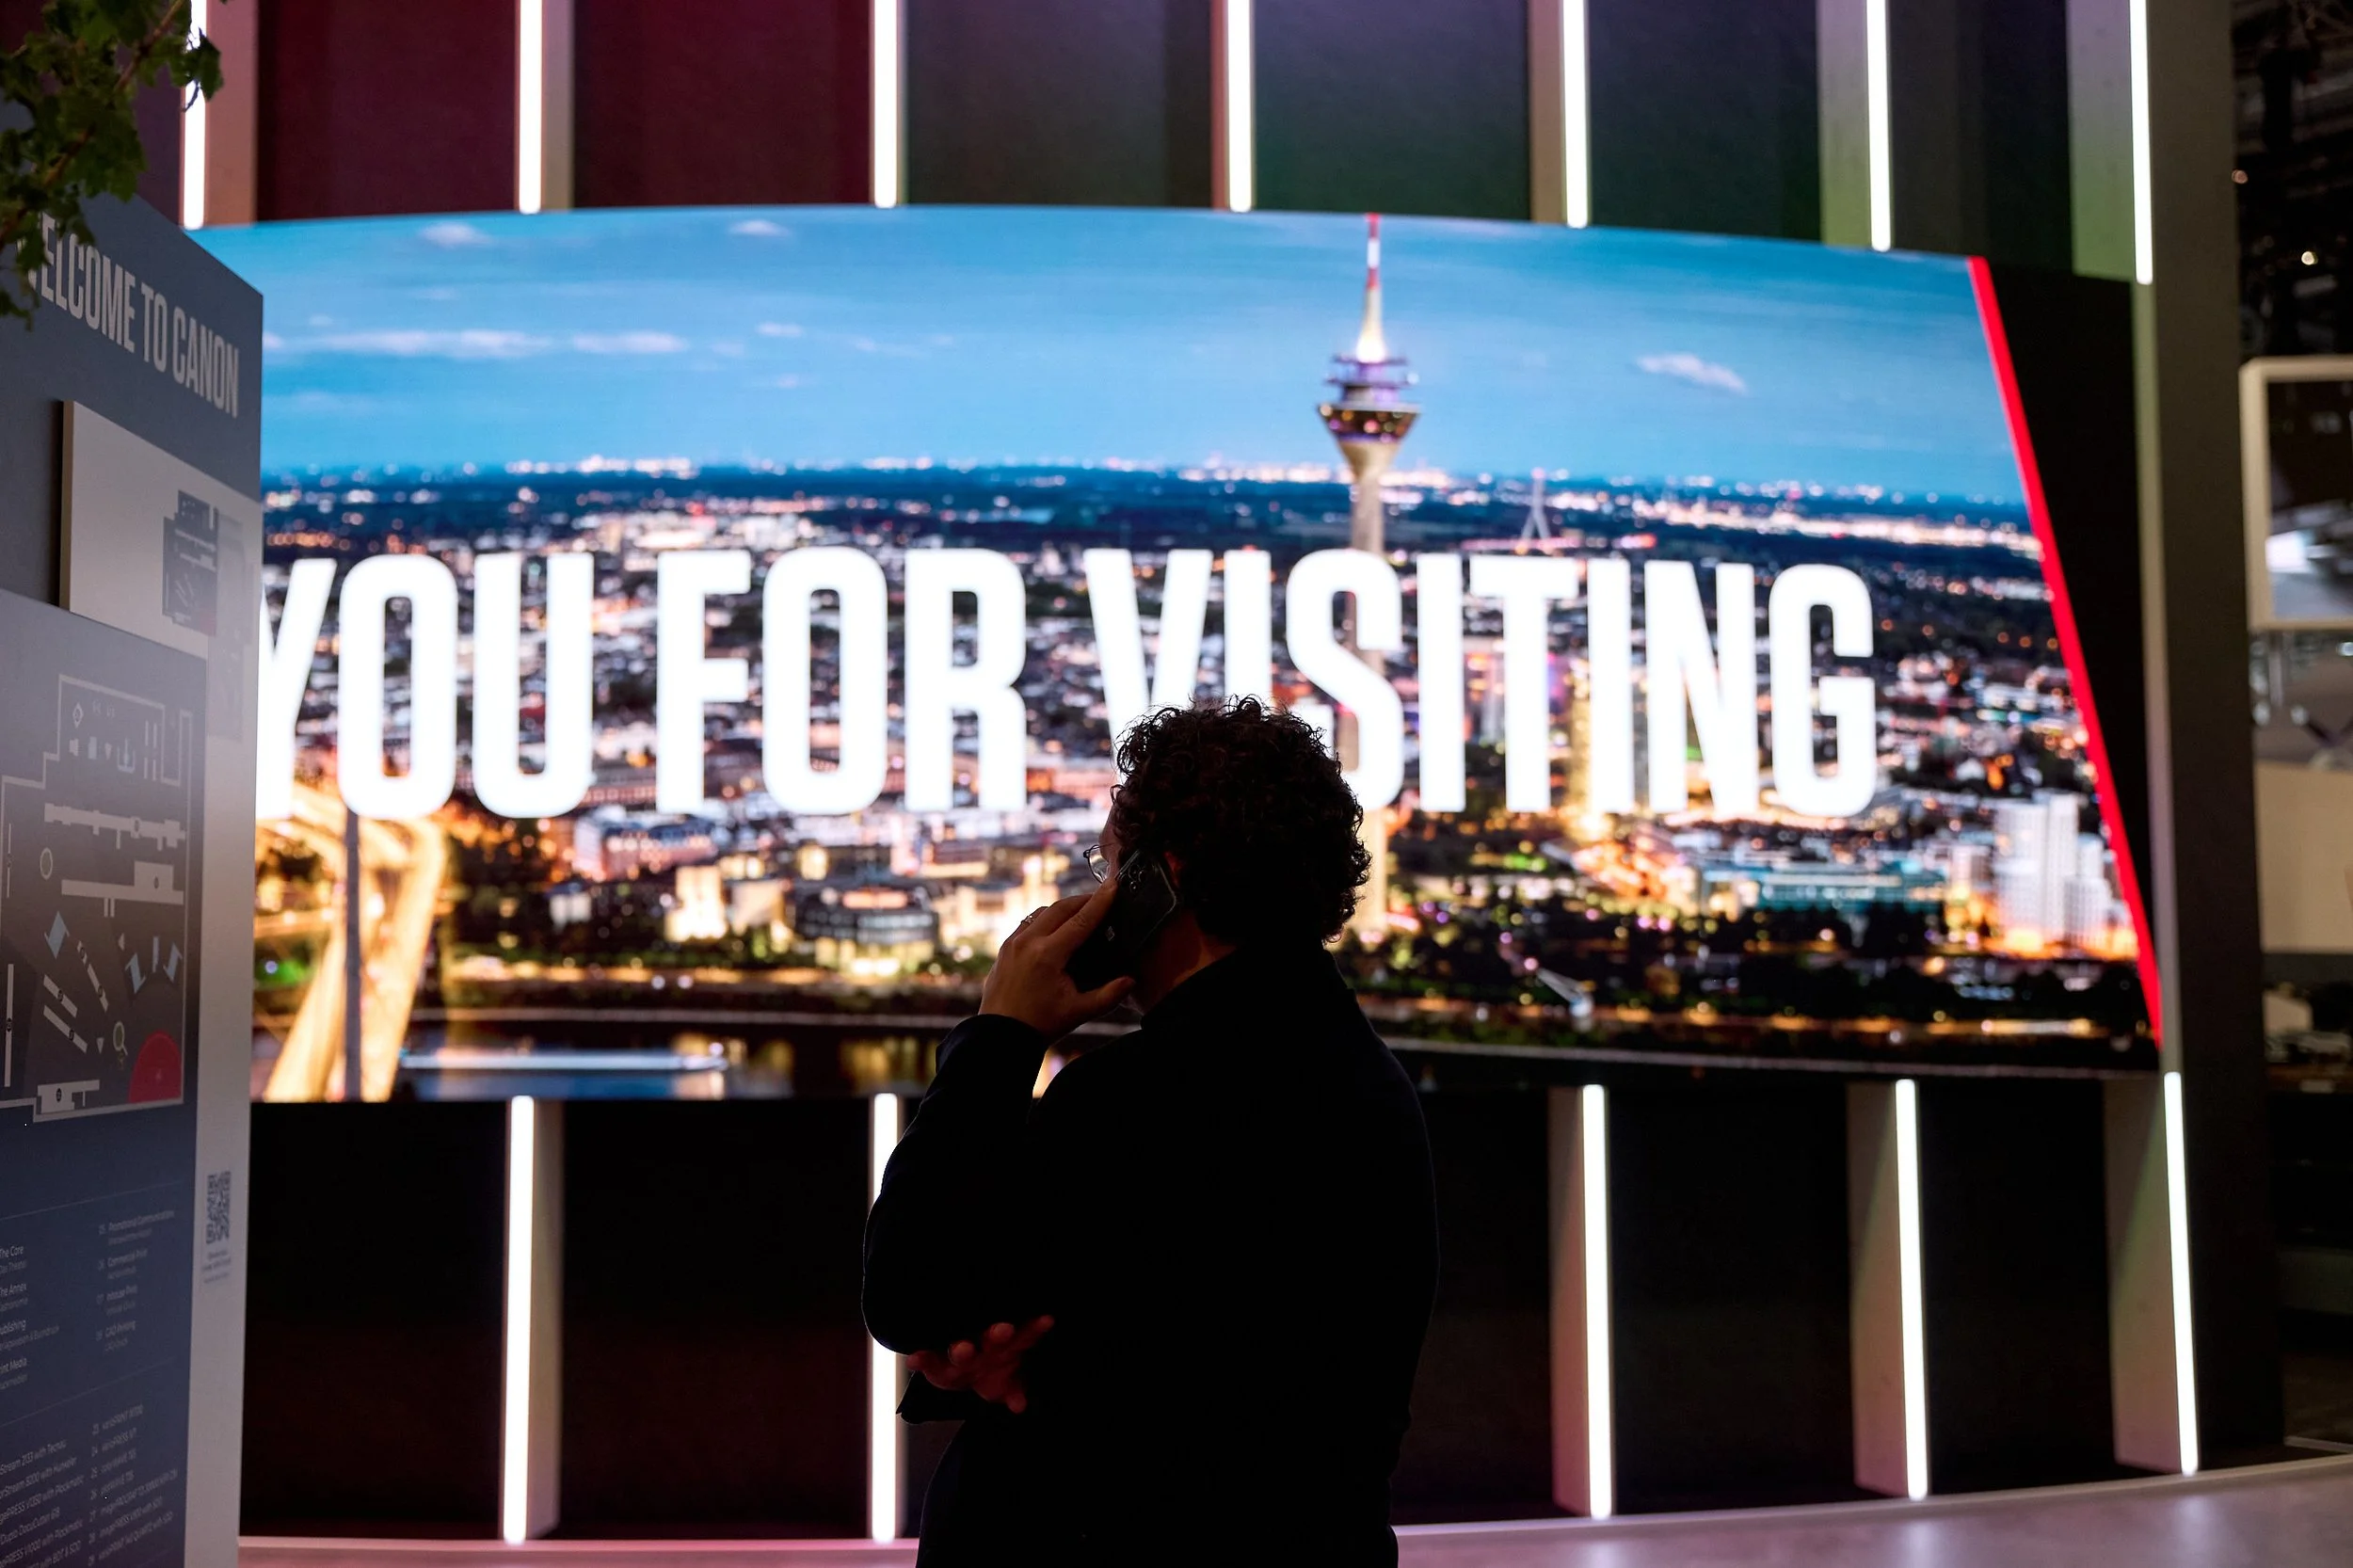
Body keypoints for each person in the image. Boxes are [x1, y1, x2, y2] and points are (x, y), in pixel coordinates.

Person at [862, 697, 1440, 1565]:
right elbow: (1163, 1350)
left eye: (1110, 868)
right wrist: (987, 1352)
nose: (1099, 894)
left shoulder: (1142, 1099)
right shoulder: (1366, 1082)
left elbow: (906, 1288)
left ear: (1156, 882)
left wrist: (1002, 1036)